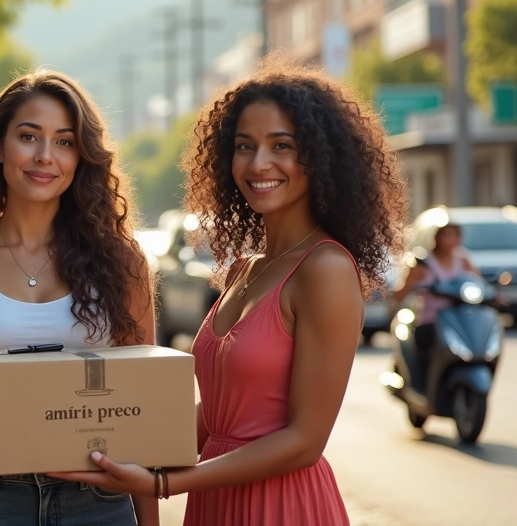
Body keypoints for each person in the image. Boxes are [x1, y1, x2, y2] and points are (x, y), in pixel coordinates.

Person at [54, 62, 409, 526]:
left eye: (281, 145)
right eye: (245, 146)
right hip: (216, 500)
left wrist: (164, 483)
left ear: (321, 157)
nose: (258, 163)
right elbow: (223, 411)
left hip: (280, 505)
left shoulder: (325, 269)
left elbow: (304, 442)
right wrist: (111, 442)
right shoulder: (246, 268)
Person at [0, 71, 158, 526]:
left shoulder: (122, 264)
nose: (45, 156)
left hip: (99, 496)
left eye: (64, 141)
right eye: (28, 136)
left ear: (81, 156)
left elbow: (142, 414)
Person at [393, 221, 481, 364]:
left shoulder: (463, 260)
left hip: (460, 319)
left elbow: (478, 283)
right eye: (446, 235)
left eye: (454, 235)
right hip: (431, 320)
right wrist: (413, 284)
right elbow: (400, 294)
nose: (451, 239)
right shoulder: (423, 263)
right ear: (437, 237)